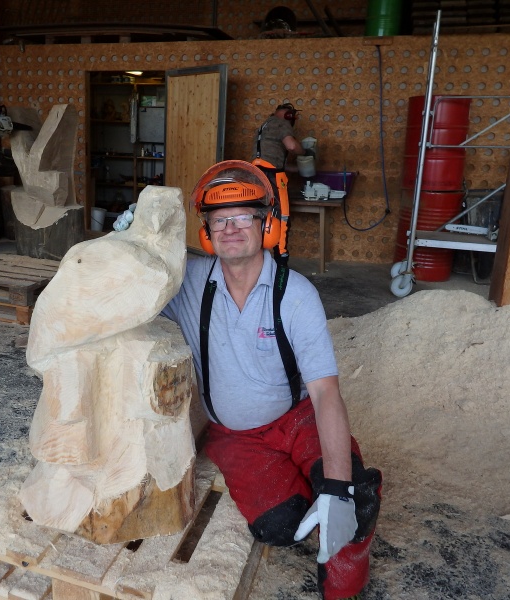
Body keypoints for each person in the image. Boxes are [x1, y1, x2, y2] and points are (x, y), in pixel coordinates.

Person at [162, 160, 382, 600]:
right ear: (206, 231)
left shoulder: (295, 294)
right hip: (236, 437)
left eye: (243, 217)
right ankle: (308, 496)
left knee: (353, 499)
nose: (230, 229)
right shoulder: (189, 283)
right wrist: (129, 241)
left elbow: (325, 392)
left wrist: (338, 490)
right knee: (281, 526)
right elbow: (130, 289)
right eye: (219, 220)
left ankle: (344, 585)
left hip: (297, 418)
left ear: (267, 226)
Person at [252, 103, 306, 172]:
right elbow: (292, 146)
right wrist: (304, 152)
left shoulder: (264, 127)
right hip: (269, 172)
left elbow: (274, 163)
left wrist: (300, 169)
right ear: (289, 116)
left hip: (255, 171)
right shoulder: (282, 123)